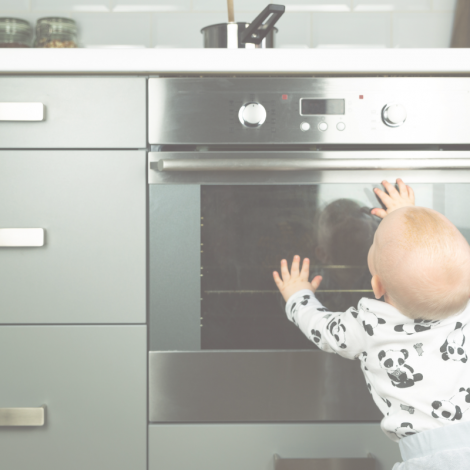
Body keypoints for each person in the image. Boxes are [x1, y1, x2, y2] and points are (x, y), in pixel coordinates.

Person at [273, 179, 470, 470]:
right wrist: (407, 216)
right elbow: (438, 258)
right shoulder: (464, 307)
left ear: (377, 285)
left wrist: (298, 296)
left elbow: (323, 328)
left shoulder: (369, 324)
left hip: (430, 459)